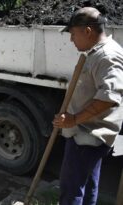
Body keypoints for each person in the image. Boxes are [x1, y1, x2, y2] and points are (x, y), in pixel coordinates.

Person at [53, 7, 123, 205]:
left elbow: (108, 98)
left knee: (71, 189)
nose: (71, 39)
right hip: (88, 133)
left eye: (73, 33)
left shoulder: (108, 56)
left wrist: (74, 119)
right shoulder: (96, 53)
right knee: (88, 185)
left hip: (88, 135)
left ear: (87, 31)